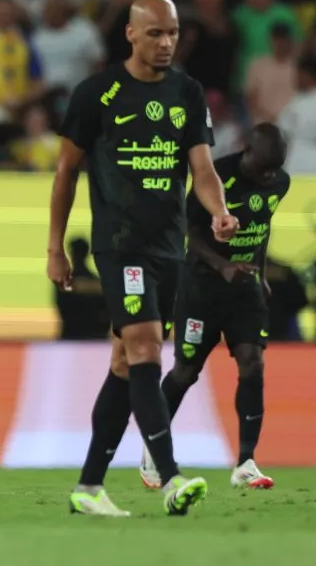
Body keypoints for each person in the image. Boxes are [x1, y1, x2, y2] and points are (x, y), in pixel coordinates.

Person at [47, 0, 239, 517]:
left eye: (173, 32)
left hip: (166, 248)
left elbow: (201, 169)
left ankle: (88, 486)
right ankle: (170, 476)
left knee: (126, 364)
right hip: (119, 244)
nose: (166, 42)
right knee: (148, 350)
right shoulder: (97, 94)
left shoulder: (187, 92)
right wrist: (56, 247)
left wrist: (218, 212)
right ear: (131, 34)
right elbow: (66, 171)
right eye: (155, 33)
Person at [139, 123, 290, 491]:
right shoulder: (216, 176)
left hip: (245, 288)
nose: (269, 175)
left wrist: (263, 273)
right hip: (202, 289)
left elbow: (263, 225)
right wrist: (222, 267)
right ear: (246, 149)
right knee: (186, 371)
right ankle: (152, 450)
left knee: (253, 361)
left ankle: (246, 462)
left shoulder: (279, 182)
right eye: (263, 166)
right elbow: (188, 229)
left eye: (274, 168)